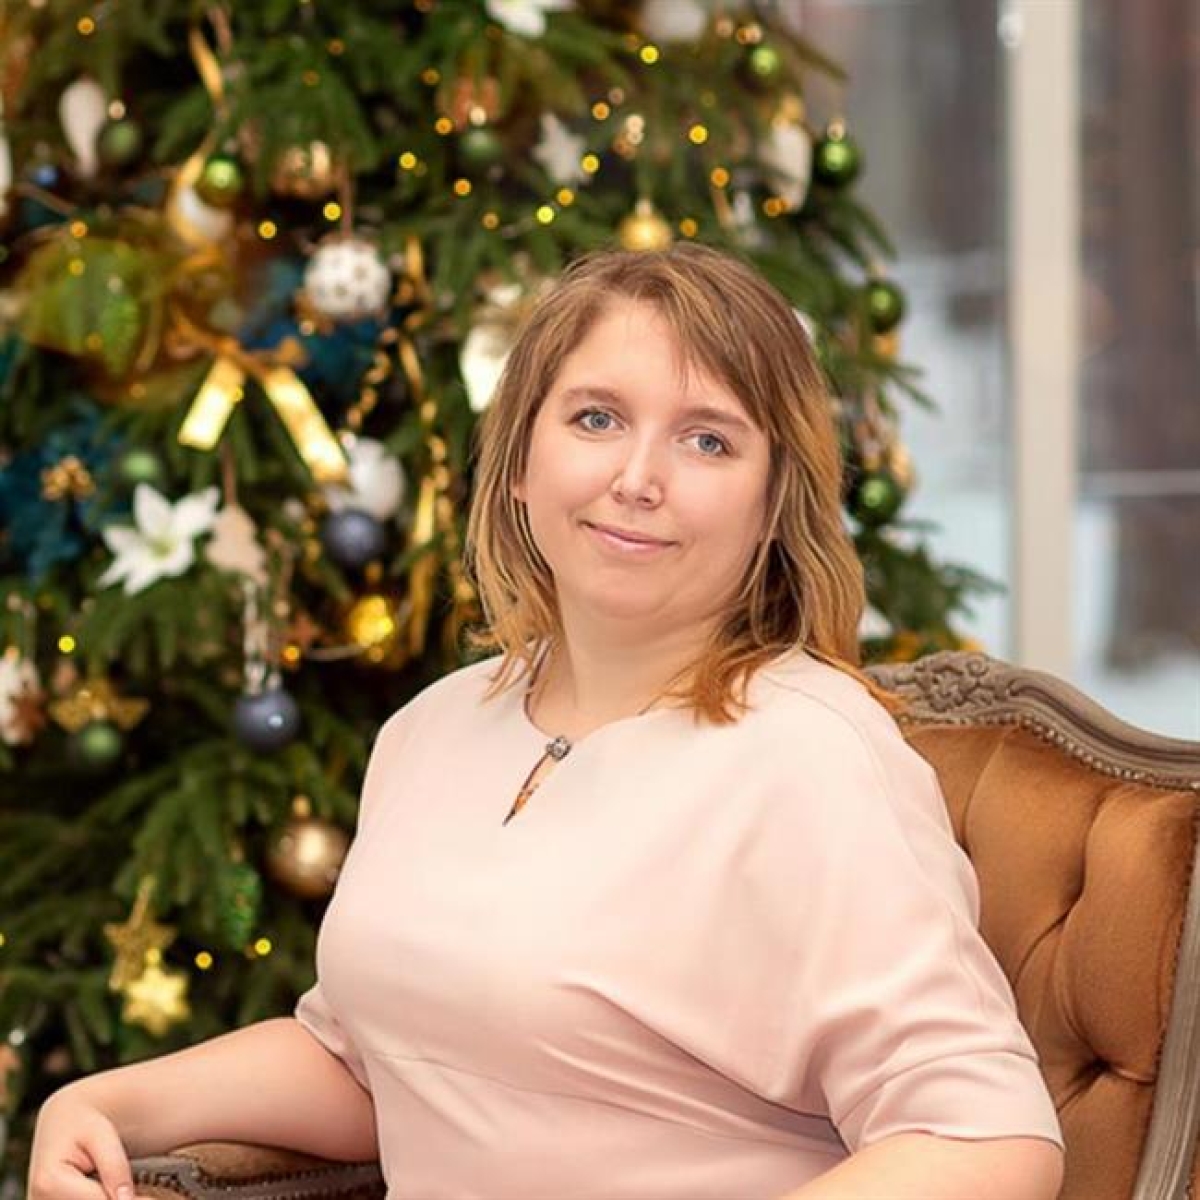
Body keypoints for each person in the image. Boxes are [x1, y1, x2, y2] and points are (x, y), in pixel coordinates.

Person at [28, 244, 1064, 1200]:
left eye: (707, 440)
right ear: (521, 460)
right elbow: (377, 1065)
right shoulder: (435, 728)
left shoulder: (812, 757)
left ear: (771, 507)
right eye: (597, 419)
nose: (637, 480)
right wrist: (105, 1102)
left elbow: (984, 1138)